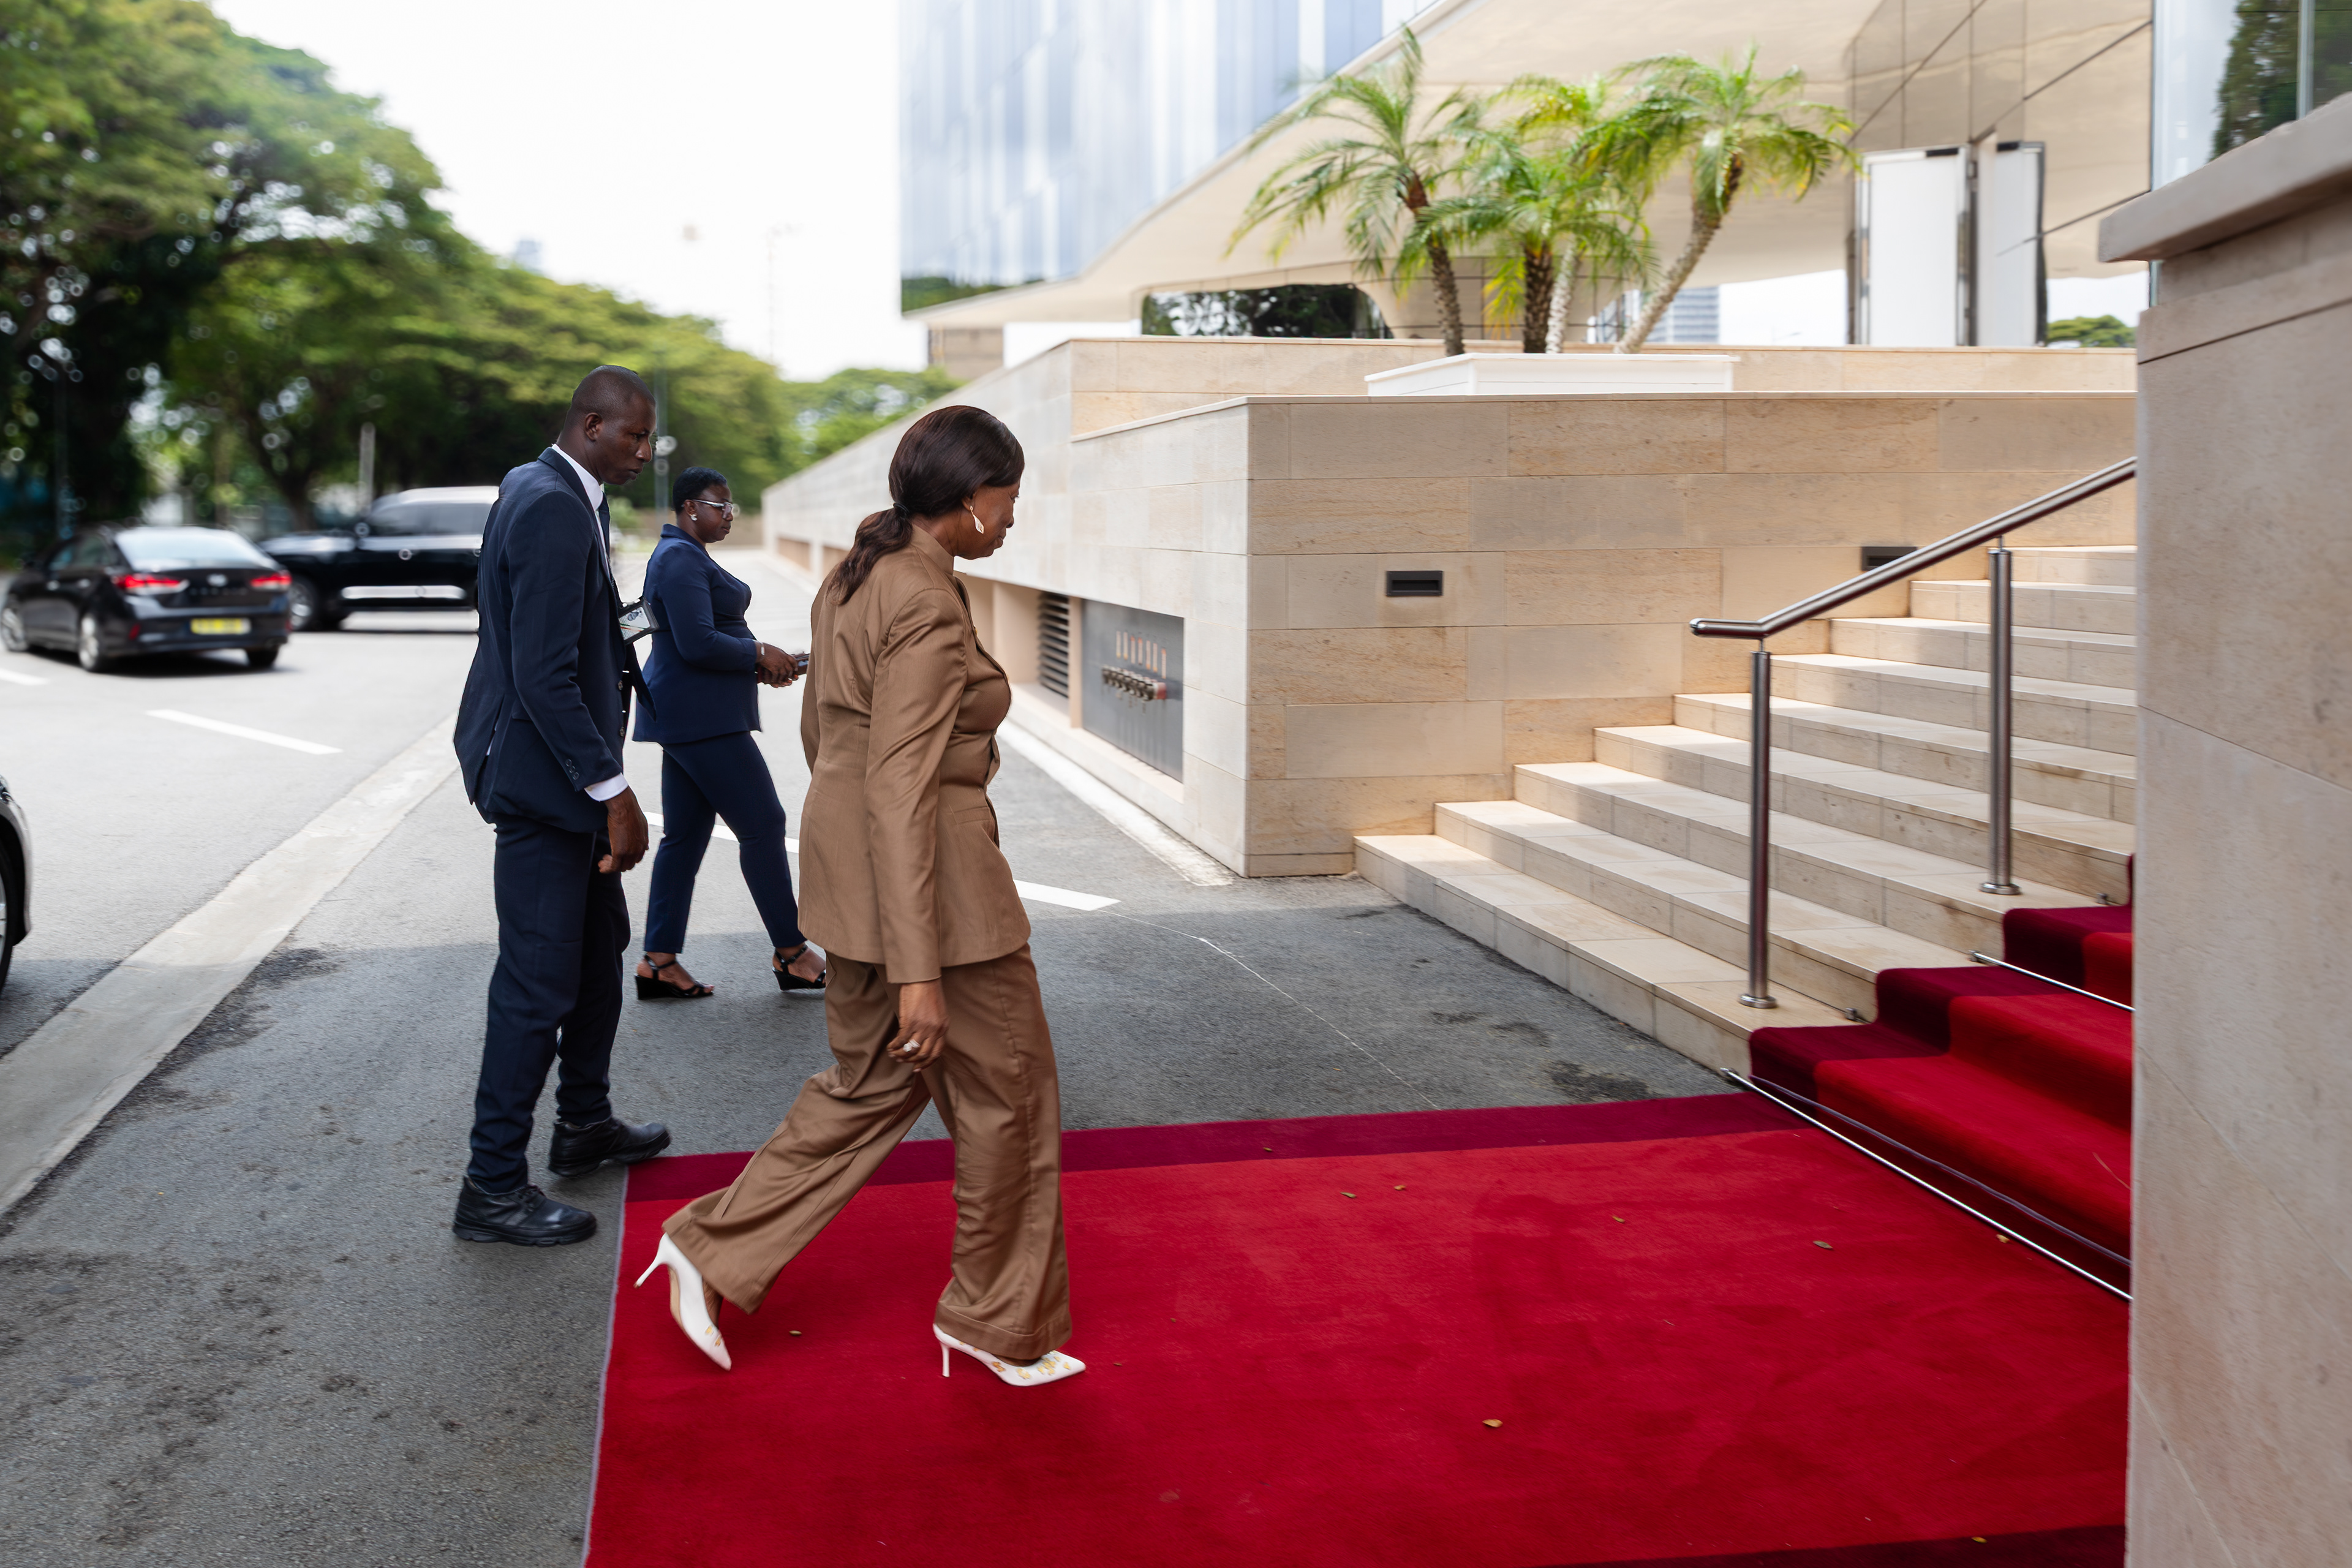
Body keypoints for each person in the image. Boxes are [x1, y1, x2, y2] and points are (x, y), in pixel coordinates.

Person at [633, 405, 1084, 1386]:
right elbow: (901, 783)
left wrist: (856, 895)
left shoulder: (854, 572)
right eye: (1008, 499)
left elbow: (826, 745)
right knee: (1011, 1098)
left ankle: (711, 1247)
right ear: (967, 501)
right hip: (939, 900)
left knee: (871, 1089)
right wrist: (919, 972)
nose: (1013, 520)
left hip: (854, 880)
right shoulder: (921, 598)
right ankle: (996, 1321)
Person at [448, 366, 673, 1248]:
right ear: (591, 423)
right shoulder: (548, 503)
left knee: (598, 950)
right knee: (535, 984)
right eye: (634, 436)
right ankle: (491, 1187)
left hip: (562, 776)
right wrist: (614, 794)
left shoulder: (563, 489)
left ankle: (583, 1122)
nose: (645, 452)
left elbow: (576, 636)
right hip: (548, 784)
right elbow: (541, 674)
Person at [633, 466, 827, 999]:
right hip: (700, 720)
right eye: (720, 506)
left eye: (731, 507)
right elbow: (695, 642)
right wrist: (757, 653)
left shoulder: (687, 556)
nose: (729, 516)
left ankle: (658, 960)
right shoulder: (677, 558)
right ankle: (792, 952)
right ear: (690, 507)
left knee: (686, 836)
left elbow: (705, 636)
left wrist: (758, 662)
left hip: (696, 714)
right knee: (764, 824)